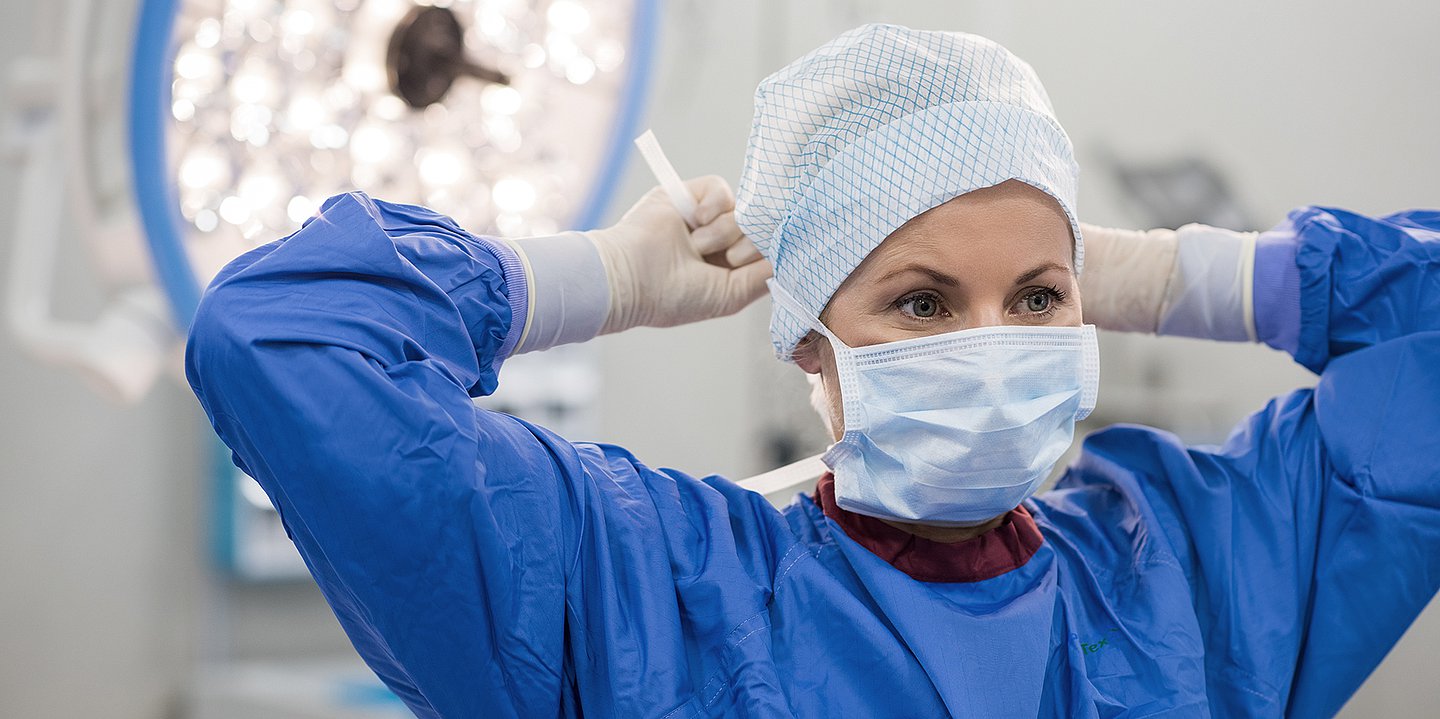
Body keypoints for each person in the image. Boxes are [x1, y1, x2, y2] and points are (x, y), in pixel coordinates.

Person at [185, 24, 1440, 719]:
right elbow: (285, 339)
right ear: (809, 349)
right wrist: (600, 280)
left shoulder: (1187, 577)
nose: (991, 345)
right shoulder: (646, 594)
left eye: (1038, 298)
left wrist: (1173, 273)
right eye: (922, 301)